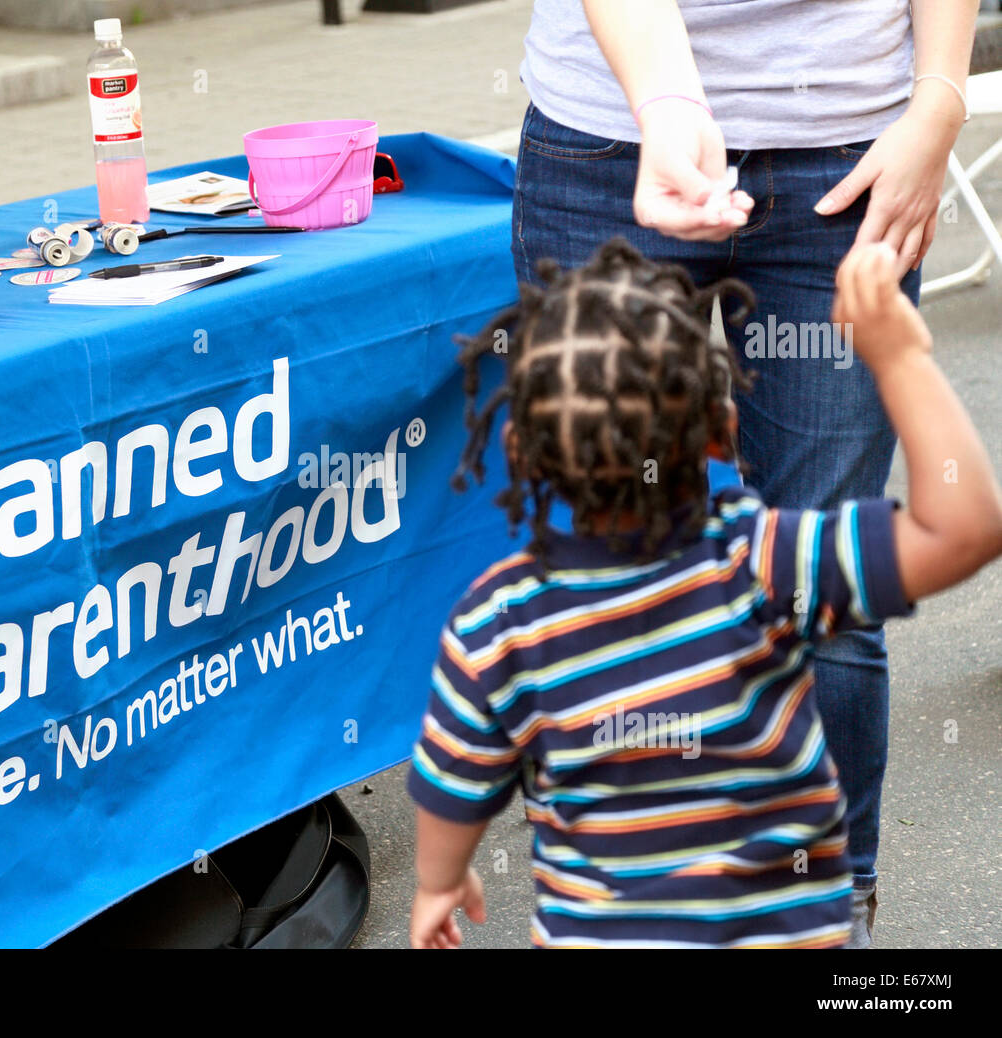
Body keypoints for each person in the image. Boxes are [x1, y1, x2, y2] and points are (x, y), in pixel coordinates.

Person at [511, 0, 979, 947]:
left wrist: (940, 103)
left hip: (852, 155)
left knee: (827, 601)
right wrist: (670, 102)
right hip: (607, 148)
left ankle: (825, 919)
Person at [407, 239, 1002, 949]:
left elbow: (454, 783)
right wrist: (901, 359)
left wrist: (439, 882)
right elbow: (966, 529)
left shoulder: (496, 622)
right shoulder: (765, 563)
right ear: (722, 435)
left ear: (522, 456)